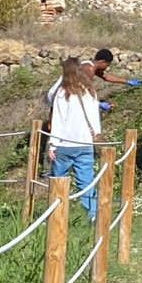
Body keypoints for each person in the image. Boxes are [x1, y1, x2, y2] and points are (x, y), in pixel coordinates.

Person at [45, 56, 103, 220]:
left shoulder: (63, 93)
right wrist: (95, 135)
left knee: (58, 181)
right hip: (85, 143)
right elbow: (94, 118)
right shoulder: (90, 91)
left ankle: (57, 214)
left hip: (64, 144)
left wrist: (52, 144)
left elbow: (58, 120)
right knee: (86, 181)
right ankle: (93, 214)